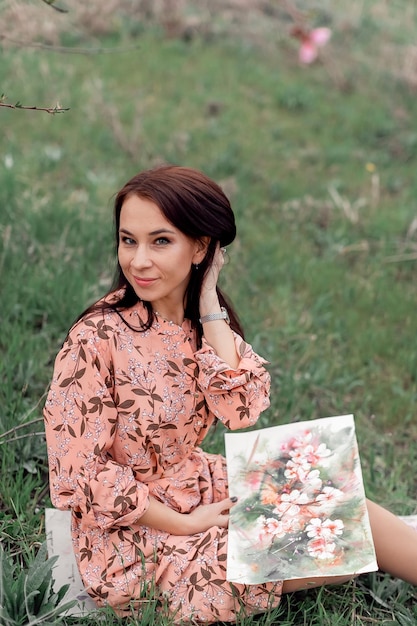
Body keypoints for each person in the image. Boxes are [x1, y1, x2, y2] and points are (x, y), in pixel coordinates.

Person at [44, 165, 417, 624]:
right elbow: (75, 473)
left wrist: (207, 306)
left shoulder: (198, 327)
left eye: (160, 241)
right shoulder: (94, 338)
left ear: (201, 247)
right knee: (325, 539)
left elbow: (239, 411)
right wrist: (185, 524)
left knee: (337, 495)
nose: (138, 260)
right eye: (128, 240)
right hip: (132, 537)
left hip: (198, 486)